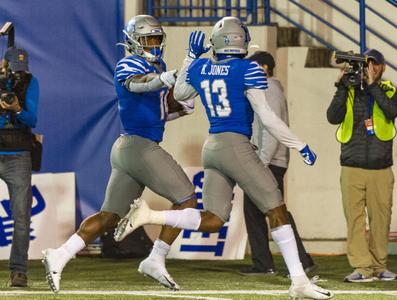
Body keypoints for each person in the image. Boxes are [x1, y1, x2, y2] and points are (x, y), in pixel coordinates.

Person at [115, 17, 334, 300]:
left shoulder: (202, 67)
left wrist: (191, 59)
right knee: (276, 209)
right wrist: (299, 144)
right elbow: (267, 118)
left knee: (214, 218)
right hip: (236, 145)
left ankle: (149, 215)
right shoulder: (248, 69)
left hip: (213, 147)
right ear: (241, 40)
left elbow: (180, 93)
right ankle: (299, 280)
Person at [42, 15, 197, 293]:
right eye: (148, 39)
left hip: (129, 147)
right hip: (139, 147)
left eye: (157, 39)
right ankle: (156, 258)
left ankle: (60, 254)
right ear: (133, 42)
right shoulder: (128, 64)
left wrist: (182, 101)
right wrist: (168, 78)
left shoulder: (156, 65)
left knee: (109, 216)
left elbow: (157, 110)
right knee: (186, 200)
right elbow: (139, 84)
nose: (154, 45)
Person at [239, 51, 316, 276]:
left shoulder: (269, 89)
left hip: (269, 162)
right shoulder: (270, 88)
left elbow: (271, 130)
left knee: (270, 211)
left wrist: (259, 164)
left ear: (264, 68)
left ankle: (271, 263)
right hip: (271, 161)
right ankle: (292, 261)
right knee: (269, 210)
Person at [327, 49, 397, 282]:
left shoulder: (389, 89)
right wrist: (341, 86)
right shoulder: (349, 89)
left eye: (374, 64)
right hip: (352, 166)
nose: (370, 68)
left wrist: (372, 85)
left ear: (383, 67)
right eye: (366, 64)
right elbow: (333, 116)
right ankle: (362, 268)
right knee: (355, 220)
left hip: (381, 168)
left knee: (381, 220)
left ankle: (379, 267)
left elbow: (391, 110)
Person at [0, 46, 39, 287]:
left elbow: (32, 119)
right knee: (21, 217)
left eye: (20, 70)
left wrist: (16, 109)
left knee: (22, 217)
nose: (17, 75)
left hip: (19, 155)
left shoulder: (30, 82)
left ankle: (19, 270)